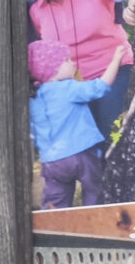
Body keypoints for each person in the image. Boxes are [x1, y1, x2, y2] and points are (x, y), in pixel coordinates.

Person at [26, 0, 135, 143]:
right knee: (85, 141)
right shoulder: (35, 9)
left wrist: (133, 1)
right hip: (73, 86)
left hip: (115, 71)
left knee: (110, 130)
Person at [29, 39, 123, 208]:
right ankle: (94, 219)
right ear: (52, 68)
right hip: (82, 153)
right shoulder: (68, 88)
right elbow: (100, 87)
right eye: (66, 60)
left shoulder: (33, 98)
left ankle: (56, 226)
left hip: (51, 161)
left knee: (56, 201)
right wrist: (116, 60)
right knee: (94, 192)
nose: (72, 63)